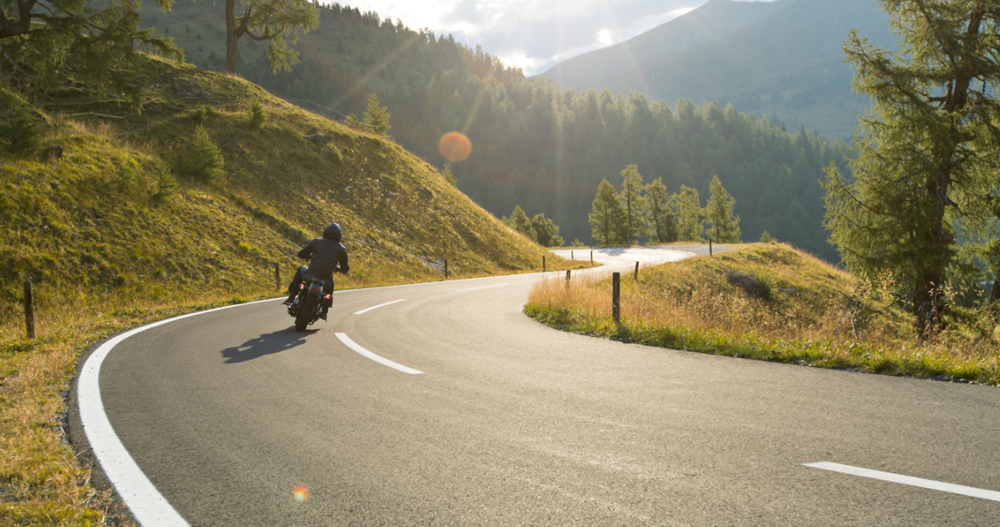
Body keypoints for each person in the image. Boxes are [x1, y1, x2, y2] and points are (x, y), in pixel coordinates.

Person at [283, 223, 349, 320]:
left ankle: (292, 296)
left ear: (325, 232)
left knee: (301, 268)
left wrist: (308, 255)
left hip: (310, 275)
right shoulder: (341, 249)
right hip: (326, 280)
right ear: (339, 235)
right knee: (331, 284)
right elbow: (345, 268)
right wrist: (339, 268)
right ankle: (324, 311)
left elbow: (302, 254)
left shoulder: (317, 242)